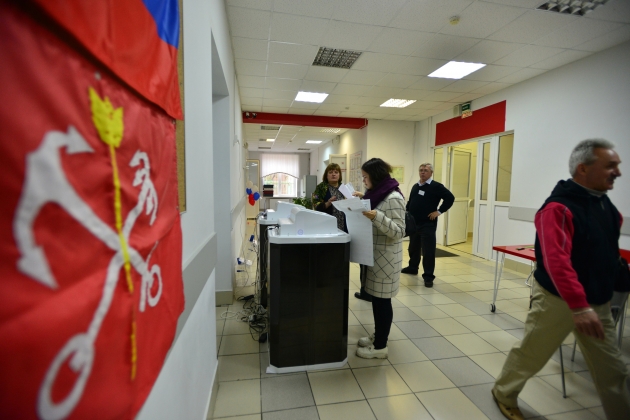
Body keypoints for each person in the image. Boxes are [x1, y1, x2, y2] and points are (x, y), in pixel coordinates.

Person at [492, 139, 629, 420]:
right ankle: (504, 392)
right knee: (532, 354)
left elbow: (608, 254)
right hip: (557, 301)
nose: (617, 172)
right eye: (610, 166)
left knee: (613, 370)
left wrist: (607, 290)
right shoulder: (558, 208)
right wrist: (579, 306)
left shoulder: (606, 207)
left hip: (597, 303)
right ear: (583, 168)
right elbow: (556, 262)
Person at [352, 158, 405, 359]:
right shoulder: (378, 194)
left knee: (382, 303)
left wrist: (377, 217)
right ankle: (379, 336)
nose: (364, 181)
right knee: (376, 301)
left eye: (365, 177)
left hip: (386, 259)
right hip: (376, 257)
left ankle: (380, 347)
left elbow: (399, 231)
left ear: (375, 176)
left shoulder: (393, 198)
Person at [401, 163, 454, 287]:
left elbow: (450, 198)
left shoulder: (436, 186)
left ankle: (428, 276)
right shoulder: (416, 186)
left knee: (428, 251)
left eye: (425, 170)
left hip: (427, 224)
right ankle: (413, 267)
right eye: (421, 170)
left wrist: (439, 211)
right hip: (414, 223)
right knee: (413, 247)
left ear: (431, 172)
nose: (422, 172)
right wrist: (406, 213)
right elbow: (411, 201)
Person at [312, 163, 347, 233]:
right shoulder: (321, 187)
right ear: (326, 175)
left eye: (336, 172)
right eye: (330, 172)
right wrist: (328, 203)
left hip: (343, 223)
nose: (333, 174)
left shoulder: (343, 187)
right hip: (327, 223)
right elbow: (315, 204)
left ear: (339, 175)